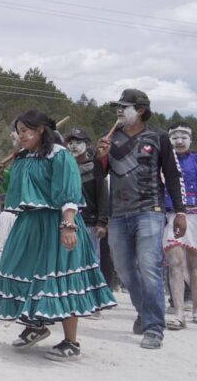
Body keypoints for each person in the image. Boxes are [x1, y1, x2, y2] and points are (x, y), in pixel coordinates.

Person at [0, 109, 116, 362]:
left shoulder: (60, 156)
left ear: (40, 130)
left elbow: (69, 191)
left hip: (55, 222)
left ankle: (71, 342)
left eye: (26, 131)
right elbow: (19, 189)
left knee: (61, 278)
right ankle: (36, 326)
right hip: (29, 223)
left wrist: (68, 225)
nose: (21, 135)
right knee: (19, 269)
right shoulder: (24, 156)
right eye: (19, 131)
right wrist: (3, 173)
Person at [95, 88, 187, 349]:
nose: (119, 111)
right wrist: (99, 157)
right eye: (118, 107)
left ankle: (154, 328)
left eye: (124, 107)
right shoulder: (111, 138)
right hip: (118, 214)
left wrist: (179, 211)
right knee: (124, 270)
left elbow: (172, 174)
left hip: (150, 210)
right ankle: (144, 312)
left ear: (141, 110)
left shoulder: (158, 137)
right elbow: (99, 176)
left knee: (149, 268)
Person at [65, 128, 111, 319]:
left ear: (88, 144)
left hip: (91, 222)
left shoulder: (96, 167)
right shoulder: (65, 166)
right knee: (69, 263)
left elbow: (103, 195)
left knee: (92, 262)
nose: (74, 145)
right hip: (70, 222)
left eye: (79, 141)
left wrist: (102, 221)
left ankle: (95, 303)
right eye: (71, 142)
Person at [162, 122, 197, 329]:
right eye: (174, 137)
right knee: (175, 264)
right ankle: (178, 313)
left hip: (195, 215)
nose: (179, 141)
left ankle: (195, 310)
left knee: (194, 267)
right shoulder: (162, 162)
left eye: (184, 136)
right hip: (171, 215)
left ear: (191, 139)